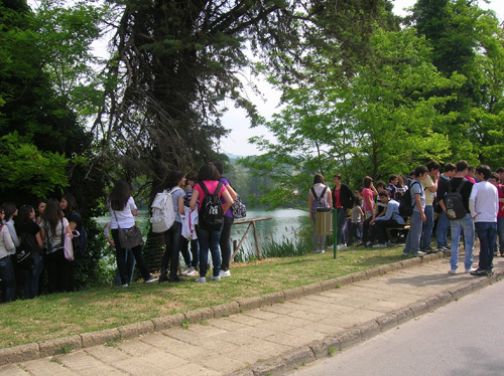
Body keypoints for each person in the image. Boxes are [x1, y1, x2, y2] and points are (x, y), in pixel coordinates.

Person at [190, 163, 234, 283]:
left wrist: (199, 206)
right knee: (215, 247)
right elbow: (230, 200)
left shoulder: (198, 186)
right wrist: (222, 211)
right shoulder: (220, 185)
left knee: (203, 248)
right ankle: (216, 274)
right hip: (217, 221)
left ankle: (202, 276)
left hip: (203, 221)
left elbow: (192, 204)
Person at [108, 180, 157, 287]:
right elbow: (135, 212)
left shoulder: (110, 200)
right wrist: (133, 212)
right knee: (137, 253)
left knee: (120, 255)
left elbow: (112, 213)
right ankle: (147, 277)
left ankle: (124, 282)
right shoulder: (129, 199)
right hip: (130, 228)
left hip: (116, 229)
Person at [438, 161, 474, 274]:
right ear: (465, 170)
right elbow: (472, 201)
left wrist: (447, 211)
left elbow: (439, 198)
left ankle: (453, 267)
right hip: (466, 214)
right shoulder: (469, 184)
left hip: (453, 215)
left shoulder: (447, 183)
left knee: (454, 241)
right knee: (468, 242)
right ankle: (468, 267)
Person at [469, 165, 498, 276]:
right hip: (492, 219)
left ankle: (482, 267)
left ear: (481, 174)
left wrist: (473, 213)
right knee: (491, 245)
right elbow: (496, 204)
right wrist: (494, 215)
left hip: (481, 218)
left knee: (484, 244)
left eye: (477, 173)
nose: (476, 175)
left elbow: (472, 199)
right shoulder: (493, 187)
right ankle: (489, 266)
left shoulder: (477, 186)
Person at [159, 171, 186, 283]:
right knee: (175, 249)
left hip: (166, 223)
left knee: (168, 249)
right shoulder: (180, 192)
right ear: (178, 179)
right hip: (176, 222)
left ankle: (163, 274)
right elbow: (181, 210)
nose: (185, 179)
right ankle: (173, 275)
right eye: (183, 178)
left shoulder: (165, 191)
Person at [214, 161, 238, 278]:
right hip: (225, 215)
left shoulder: (222, 181)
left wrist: (224, 209)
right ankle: (223, 268)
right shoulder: (219, 181)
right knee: (222, 241)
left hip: (226, 216)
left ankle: (225, 268)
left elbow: (233, 196)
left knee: (223, 241)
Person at [16, 204, 44, 298]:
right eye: (32, 211)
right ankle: (33, 296)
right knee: (34, 278)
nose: (34, 213)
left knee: (26, 278)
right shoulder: (33, 225)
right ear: (29, 213)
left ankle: (26, 297)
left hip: (22, 255)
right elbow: (40, 243)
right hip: (34, 254)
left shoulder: (17, 225)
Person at [402, 166, 428, 257]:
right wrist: (422, 213)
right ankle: (415, 250)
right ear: (420, 174)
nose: (426, 176)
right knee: (416, 231)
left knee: (413, 231)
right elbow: (417, 200)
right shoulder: (416, 184)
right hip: (417, 211)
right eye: (425, 174)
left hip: (416, 211)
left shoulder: (417, 183)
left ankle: (407, 250)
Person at [308, 173, 332, 253]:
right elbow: (330, 201)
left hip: (315, 211)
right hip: (325, 210)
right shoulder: (327, 188)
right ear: (322, 180)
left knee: (316, 230)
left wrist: (310, 213)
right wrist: (330, 211)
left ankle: (315, 248)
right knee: (323, 230)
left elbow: (310, 203)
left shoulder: (311, 189)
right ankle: (322, 248)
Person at [180, 176, 199, 276]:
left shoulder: (190, 189)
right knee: (193, 244)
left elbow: (188, 204)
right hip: (192, 218)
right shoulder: (192, 189)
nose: (190, 181)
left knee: (190, 245)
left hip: (189, 218)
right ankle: (193, 265)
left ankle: (192, 265)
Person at [420, 161, 440, 253]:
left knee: (425, 226)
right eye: (436, 170)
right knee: (429, 225)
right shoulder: (427, 177)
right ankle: (426, 246)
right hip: (427, 204)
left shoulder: (425, 177)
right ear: (432, 169)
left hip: (426, 203)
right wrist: (437, 180)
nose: (437, 172)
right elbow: (433, 189)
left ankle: (423, 245)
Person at [435, 163, 456, 252]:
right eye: (454, 171)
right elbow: (439, 196)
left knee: (446, 226)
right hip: (444, 207)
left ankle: (444, 243)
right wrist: (444, 208)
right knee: (442, 225)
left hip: (449, 206)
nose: (455, 173)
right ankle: (440, 244)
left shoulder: (447, 180)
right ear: (450, 171)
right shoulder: (442, 181)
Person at [60, 193, 87, 258]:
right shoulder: (67, 214)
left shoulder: (74, 215)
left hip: (74, 247)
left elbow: (69, 232)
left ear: (69, 202)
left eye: (63, 201)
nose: (60, 204)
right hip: (69, 246)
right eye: (60, 201)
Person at [332, 174, 353, 250]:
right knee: (338, 226)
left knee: (340, 226)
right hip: (336, 209)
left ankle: (338, 244)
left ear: (339, 180)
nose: (334, 180)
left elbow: (352, 196)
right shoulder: (334, 189)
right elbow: (333, 200)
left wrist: (349, 207)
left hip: (343, 208)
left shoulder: (344, 187)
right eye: (333, 179)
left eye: (336, 179)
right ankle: (344, 243)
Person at [0, 208, 16, 302]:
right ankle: (8, 301)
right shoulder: (3, 227)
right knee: (9, 282)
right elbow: (10, 245)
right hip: (3, 257)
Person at [361, 176, 378, 246]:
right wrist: (373, 211)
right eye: (371, 182)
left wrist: (372, 186)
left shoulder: (368, 189)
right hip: (369, 209)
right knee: (369, 224)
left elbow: (376, 193)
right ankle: (367, 240)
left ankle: (368, 240)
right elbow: (369, 201)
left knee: (370, 224)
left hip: (371, 208)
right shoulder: (365, 190)